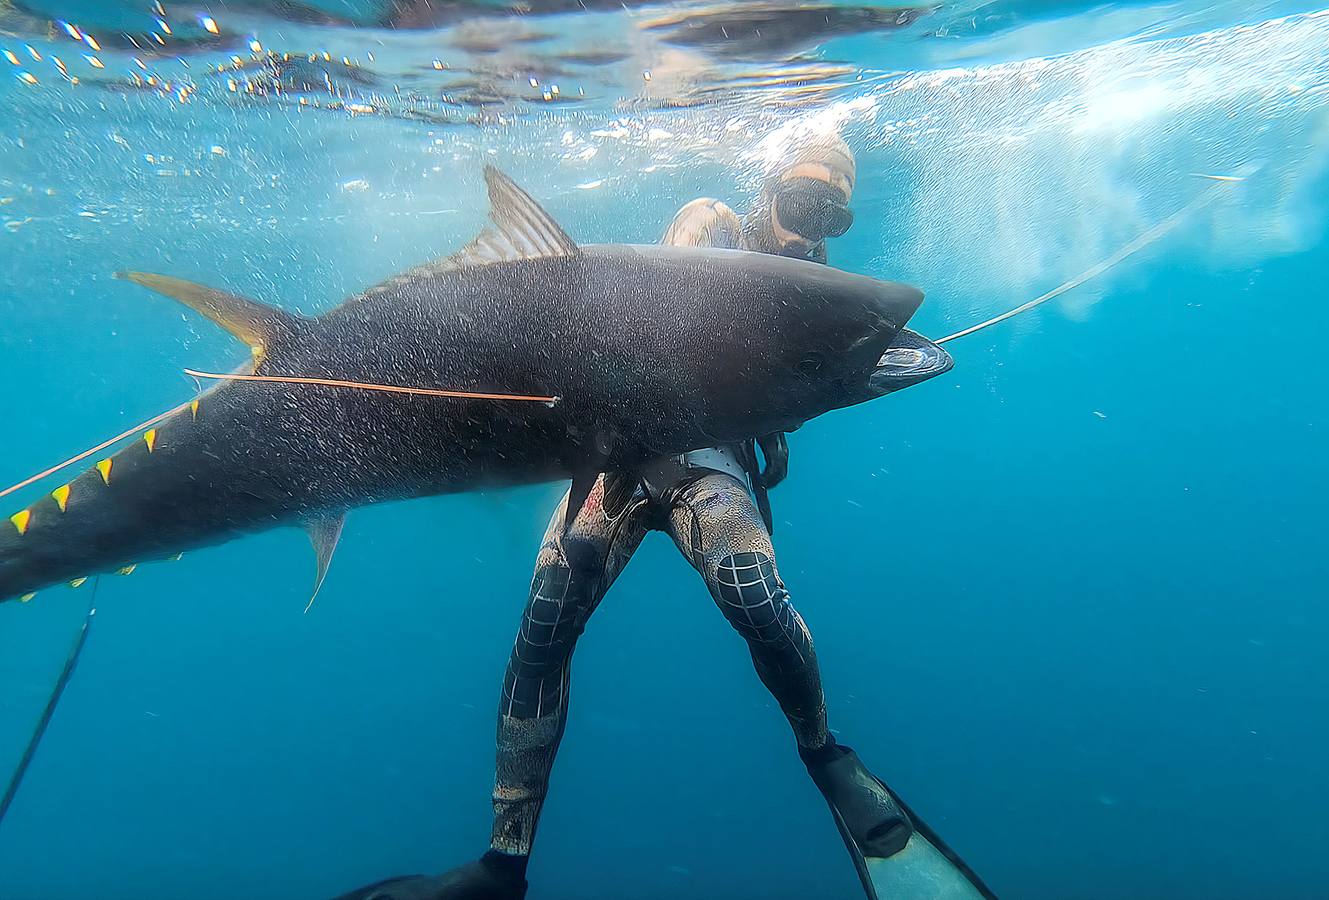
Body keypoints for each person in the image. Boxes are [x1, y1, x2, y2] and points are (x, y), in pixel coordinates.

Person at [338, 129, 994, 900]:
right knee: (545, 623)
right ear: (765, 195)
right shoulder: (713, 222)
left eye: (830, 217)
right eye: (797, 204)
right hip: (622, 460)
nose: (808, 228)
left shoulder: (823, 287)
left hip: (708, 468)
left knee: (756, 597)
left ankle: (826, 756)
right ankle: (502, 860)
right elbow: (664, 311)